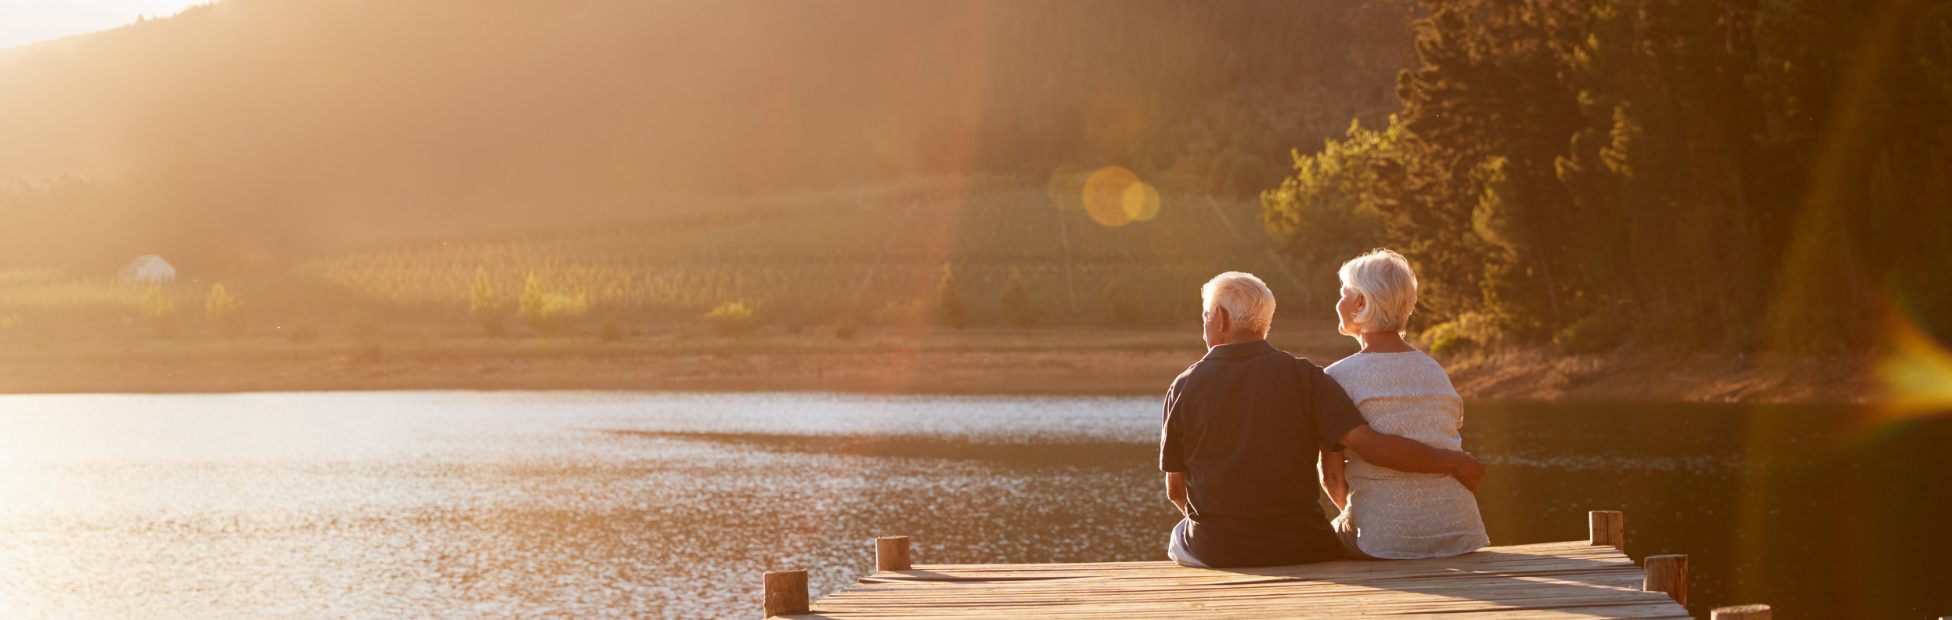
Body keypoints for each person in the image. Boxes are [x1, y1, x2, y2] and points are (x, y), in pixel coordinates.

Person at [1161, 271, 1484, 568]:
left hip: (1218, 549)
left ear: (1219, 319)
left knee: (1179, 537)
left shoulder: (1183, 386)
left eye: (1205, 316)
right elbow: (1363, 448)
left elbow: (1176, 491)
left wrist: (1226, 530)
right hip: (1303, 546)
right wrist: (1452, 462)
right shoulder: (1309, 378)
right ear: (1265, 322)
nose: (1204, 326)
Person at [1319, 249, 1489, 559]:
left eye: (1343, 294)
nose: (1338, 303)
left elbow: (1331, 478)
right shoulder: (1434, 370)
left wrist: (1361, 517)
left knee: (1325, 538)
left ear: (1360, 303)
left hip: (1384, 542)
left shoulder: (1336, 377)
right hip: (1460, 534)